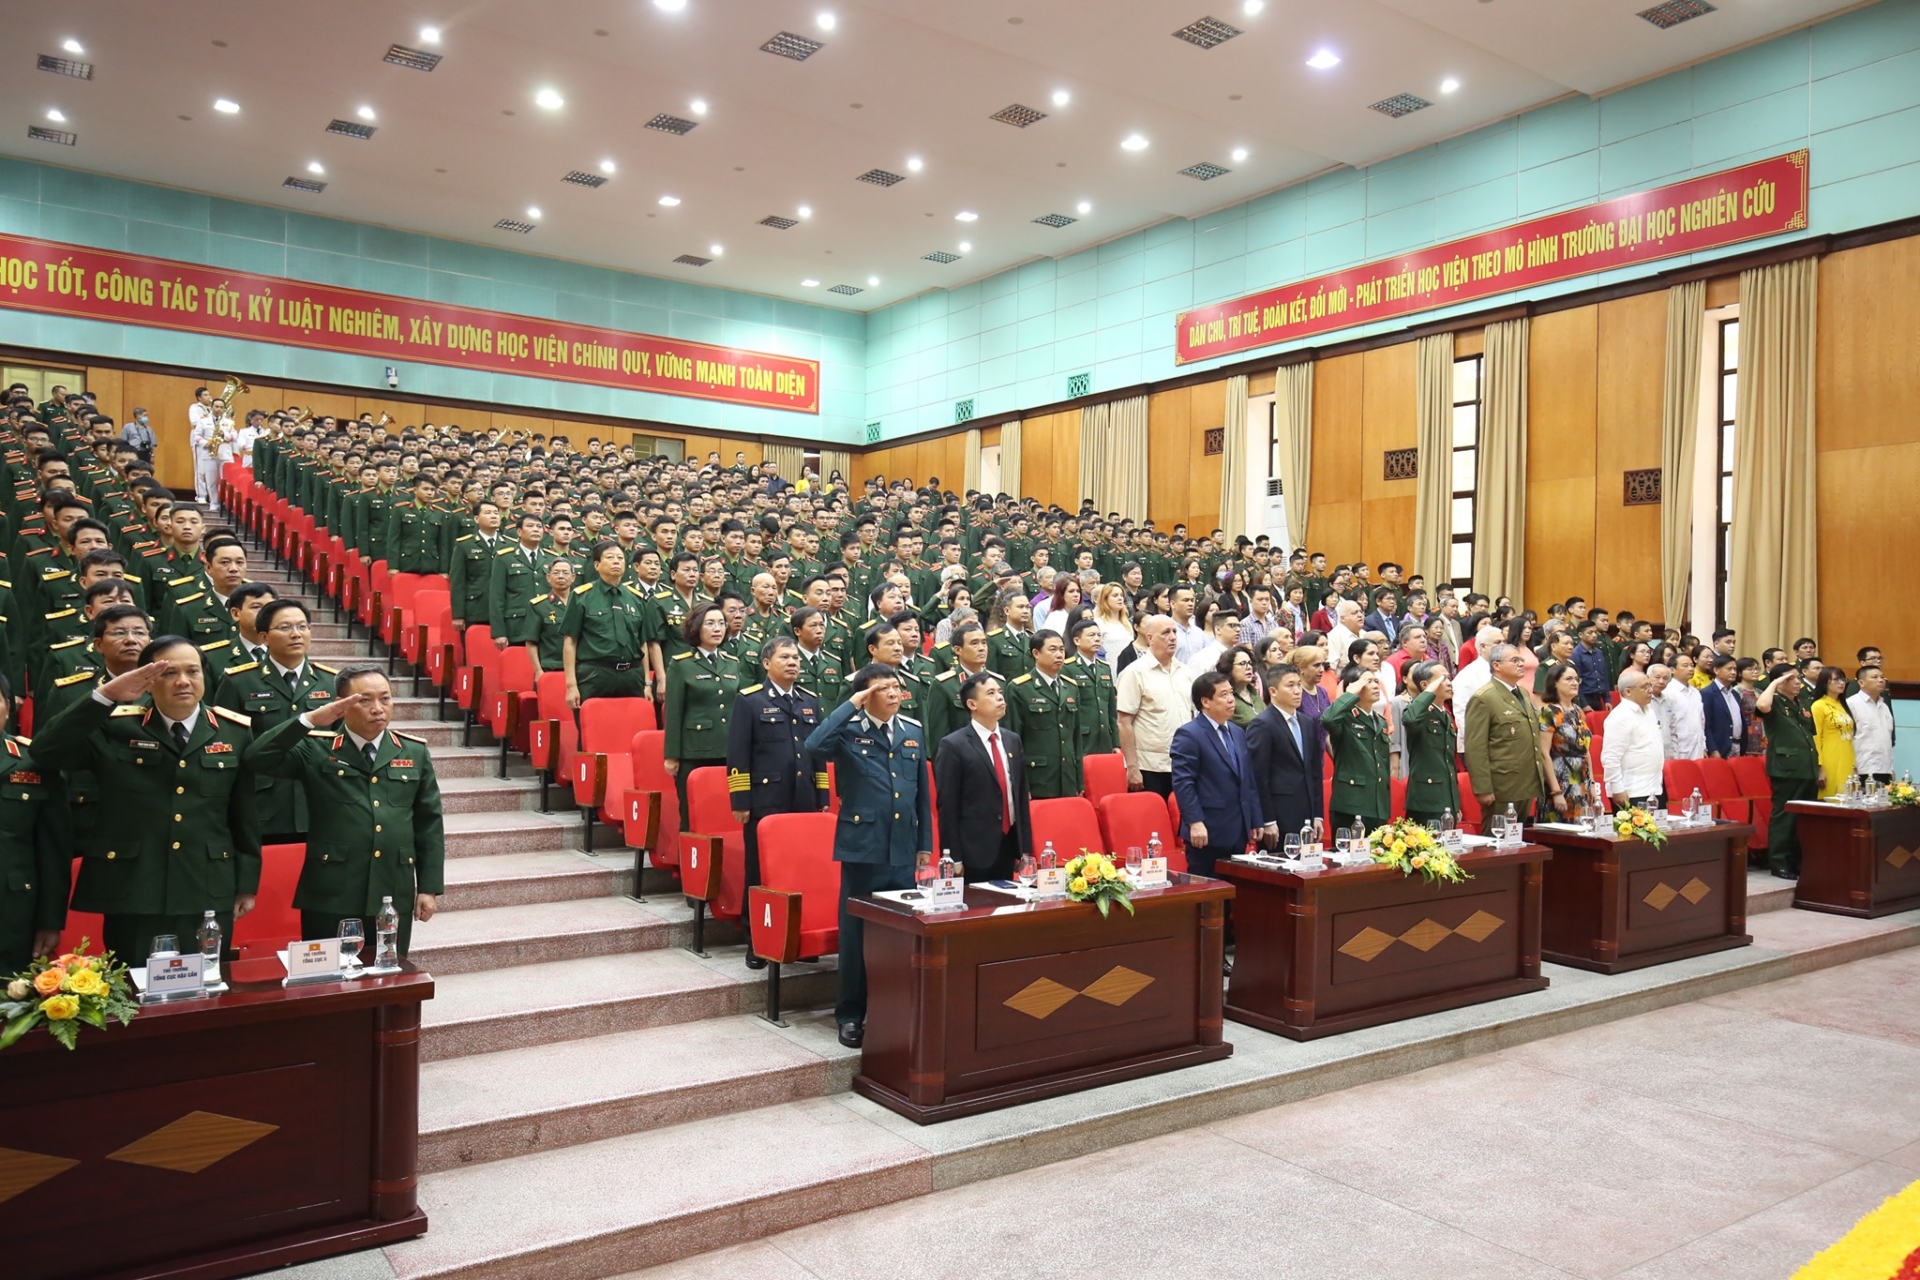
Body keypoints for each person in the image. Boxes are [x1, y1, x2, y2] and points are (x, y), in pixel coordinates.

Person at [31, 638, 261, 966]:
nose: (183, 681)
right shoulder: (115, 725)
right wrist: (105, 696)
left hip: (208, 882)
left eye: (192, 671)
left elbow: (243, 813)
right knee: (136, 991)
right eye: (169, 673)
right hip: (134, 885)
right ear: (148, 681)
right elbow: (45, 751)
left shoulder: (233, 732)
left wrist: (246, 883)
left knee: (208, 989)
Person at [243, 664, 442, 956]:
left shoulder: (413, 752)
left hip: (391, 887)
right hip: (331, 892)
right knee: (328, 982)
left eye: (385, 699)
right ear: (342, 705)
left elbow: (429, 824)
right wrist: (309, 720)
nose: (378, 708)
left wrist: (428, 887)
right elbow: (255, 758)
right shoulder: (317, 749)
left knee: (389, 979)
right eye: (365, 700)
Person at [804, 664, 932, 1049]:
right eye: (885, 688)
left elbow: (921, 794)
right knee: (858, 936)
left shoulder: (912, 731)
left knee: (901, 933)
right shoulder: (849, 731)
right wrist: (851, 705)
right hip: (864, 848)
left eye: (897, 687)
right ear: (866, 695)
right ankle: (850, 1015)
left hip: (903, 849)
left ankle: (897, 1008)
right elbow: (813, 747)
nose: (894, 693)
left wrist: (924, 843)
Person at [726, 636, 828, 967]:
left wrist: (822, 796)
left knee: (801, 869)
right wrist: (740, 800)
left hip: (803, 801)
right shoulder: (750, 701)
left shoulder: (810, 701)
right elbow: (738, 755)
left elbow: (817, 754)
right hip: (765, 802)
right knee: (760, 872)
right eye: (785, 657)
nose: (793, 662)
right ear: (767, 663)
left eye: (796, 657)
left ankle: (800, 937)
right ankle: (756, 941)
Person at [212, 599, 338, 843]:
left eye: (303, 627)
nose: (296, 634)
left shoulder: (329, 682)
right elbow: (224, 748)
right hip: (262, 803)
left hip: (318, 802)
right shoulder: (239, 682)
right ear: (264, 637)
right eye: (285, 628)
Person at [0, 674, 72, 971]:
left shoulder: (33, 762)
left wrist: (49, 922)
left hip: (12, 913)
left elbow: (53, 849)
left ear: (8, 708)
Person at [934, 671, 1033, 883]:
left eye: (999, 692)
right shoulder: (953, 745)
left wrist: (1025, 848)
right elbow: (947, 806)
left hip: (1008, 845)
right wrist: (952, 856)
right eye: (990, 693)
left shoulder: (1012, 740)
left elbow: (1020, 797)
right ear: (972, 704)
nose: (1000, 697)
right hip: (973, 851)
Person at [1170, 671, 1262, 878]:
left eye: (1231, 693)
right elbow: (1184, 782)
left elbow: (1247, 779)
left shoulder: (1237, 732)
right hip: (1207, 830)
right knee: (1206, 891)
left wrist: (1255, 818)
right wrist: (1194, 821)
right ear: (1206, 701)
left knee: (1233, 891)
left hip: (1238, 828)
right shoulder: (1189, 734)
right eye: (1223, 695)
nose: (1231, 699)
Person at [663, 603, 744, 830]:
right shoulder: (682, 664)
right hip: (694, 750)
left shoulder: (732, 663)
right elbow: (674, 712)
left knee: (724, 812)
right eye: (710, 623)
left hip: (728, 749)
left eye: (721, 623)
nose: (717, 628)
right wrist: (672, 755)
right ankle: (687, 863)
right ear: (696, 627)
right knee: (692, 814)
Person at [1463, 643, 1549, 822]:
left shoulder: (1523, 693)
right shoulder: (1484, 698)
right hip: (1502, 784)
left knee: (1518, 839)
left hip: (1526, 780)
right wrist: (1483, 788)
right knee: (1497, 838)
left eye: (1521, 660)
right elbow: (1475, 747)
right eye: (1515, 660)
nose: (1521, 664)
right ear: (1497, 665)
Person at [562, 541, 650, 706]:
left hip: (632, 675)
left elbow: (642, 643)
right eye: (610, 557)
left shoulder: (636, 598)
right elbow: (570, 641)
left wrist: (647, 682)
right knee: (593, 727)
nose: (616, 561)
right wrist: (571, 685)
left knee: (632, 727)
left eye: (620, 558)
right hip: (595, 673)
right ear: (596, 565)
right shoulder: (582, 596)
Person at [1116, 615, 1191, 799]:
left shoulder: (1186, 671)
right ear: (1150, 638)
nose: (1173, 637)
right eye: (1165, 632)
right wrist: (1132, 767)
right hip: (1150, 767)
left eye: (1174, 631)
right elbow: (1124, 723)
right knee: (1154, 824)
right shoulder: (1134, 672)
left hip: (1185, 763)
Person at [1755, 664, 1818, 879]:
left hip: (1807, 767)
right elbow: (1762, 705)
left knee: (1804, 818)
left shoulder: (1801, 703)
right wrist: (1774, 683)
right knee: (1784, 816)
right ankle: (1779, 861)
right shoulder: (1775, 702)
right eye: (1792, 678)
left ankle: (1798, 861)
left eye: (1799, 677)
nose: (1798, 681)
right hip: (1786, 769)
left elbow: (1811, 736)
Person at [1005, 631, 1085, 799]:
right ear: (1036, 653)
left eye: (1062, 650)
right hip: (1038, 779)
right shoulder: (1020, 689)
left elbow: (1076, 738)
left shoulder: (1070, 687)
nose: (1059, 655)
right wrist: (1020, 785)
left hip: (1067, 777)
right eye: (1052, 649)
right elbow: (1013, 741)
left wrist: (1079, 781)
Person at [1246, 665, 1322, 841]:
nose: (1297, 691)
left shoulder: (1307, 723)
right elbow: (1258, 776)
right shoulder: (1262, 724)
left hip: (1307, 813)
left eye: (1298, 685)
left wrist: (1317, 815)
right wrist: (1267, 819)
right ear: (1273, 691)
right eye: (1290, 686)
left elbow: (1315, 772)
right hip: (1279, 814)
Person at [1323, 666, 1391, 832]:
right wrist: (1350, 694)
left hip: (1377, 803)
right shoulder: (1345, 718)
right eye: (1368, 682)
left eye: (1376, 681)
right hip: (1351, 805)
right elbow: (1328, 719)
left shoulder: (1380, 721)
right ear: (1353, 687)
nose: (1376, 685)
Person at [1400, 661, 1462, 826]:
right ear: (1426, 685)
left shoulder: (1445, 715)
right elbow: (1410, 719)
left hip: (1446, 797)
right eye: (1442, 679)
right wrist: (1428, 692)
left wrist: (1455, 804)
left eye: (1448, 678)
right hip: (1426, 799)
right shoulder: (1418, 712)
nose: (1449, 683)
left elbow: (1448, 762)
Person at [1535, 661, 1595, 820]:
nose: (1575, 683)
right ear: (1555, 683)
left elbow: (1585, 750)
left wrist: (1592, 784)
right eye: (1569, 679)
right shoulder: (1548, 712)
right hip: (1560, 780)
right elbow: (1543, 753)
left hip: (1581, 781)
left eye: (1576, 679)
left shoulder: (1578, 711)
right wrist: (1556, 791)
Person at [1602, 670, 1665, 811]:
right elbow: (1610, 757)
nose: (1650, 690)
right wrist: (1617, 789)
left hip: (1654, 787)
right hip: (1631, 790)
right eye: (1644, 687)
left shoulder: (1649, 710)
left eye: (1650, 685)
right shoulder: (1620, 716)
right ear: (1628, 691)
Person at [1067, 618, 1119, 755]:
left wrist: (1116, 742)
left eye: (1099, 635)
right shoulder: (1068, 668)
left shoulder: (1104, 668)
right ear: (1077, 640)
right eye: (1091, 635)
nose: (1097, 639)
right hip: (1082, 739)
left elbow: (1111, 711)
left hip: (1105, 739)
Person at [1809, 666, 1856, 799]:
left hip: (1846, 757)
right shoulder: (1818, 705)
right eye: (1836, 680)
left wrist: (1854, 765)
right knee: (1832, 798)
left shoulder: (1843, 704)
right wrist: (1820, 767)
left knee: (1848, 798)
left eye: (1843, 679)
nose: (1842, 683)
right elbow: (1816, 737)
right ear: (1825, 682)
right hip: (1829, 759)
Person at [1847, 665, 1895, 784]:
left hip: (1884, 769)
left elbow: (1887, 739)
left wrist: (1891, 768)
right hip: (1862, 769)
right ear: (1861, 682)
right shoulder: (1851, 704)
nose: (1880, 680)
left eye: (1882, 677)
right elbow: (1847, 738)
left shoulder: (1884, 706)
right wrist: (1852, 767)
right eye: (1874, 677)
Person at [1660, 650, 1707, 760]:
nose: (1691, 669)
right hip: (1679, 749)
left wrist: (1704, 747)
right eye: (1685, 666)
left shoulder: (1695, 692)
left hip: (1697, 747)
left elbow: (1701, 721)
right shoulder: (1668, 692)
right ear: (1672, 670)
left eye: (1692, 665)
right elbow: (1667, 724)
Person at [1701, 654, 1748, 759]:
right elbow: (1706, 725)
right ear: (1717, 670)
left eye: (1735, 669)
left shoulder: (1735, 693)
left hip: (1738, 746)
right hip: (1720, 748)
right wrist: (1713, 750)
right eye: (1729, 669)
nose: (1733, 672)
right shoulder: (1707, 693)